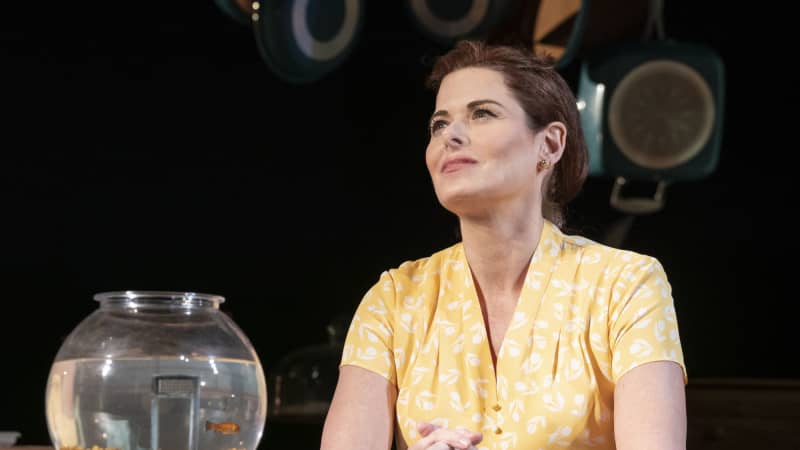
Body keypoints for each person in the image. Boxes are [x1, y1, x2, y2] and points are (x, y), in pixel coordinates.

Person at [320, 40, 687, 450]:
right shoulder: (393, 299)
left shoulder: (626, 285)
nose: (450, 135)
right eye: (439, 124)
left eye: (482, 114)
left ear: (549, 145)